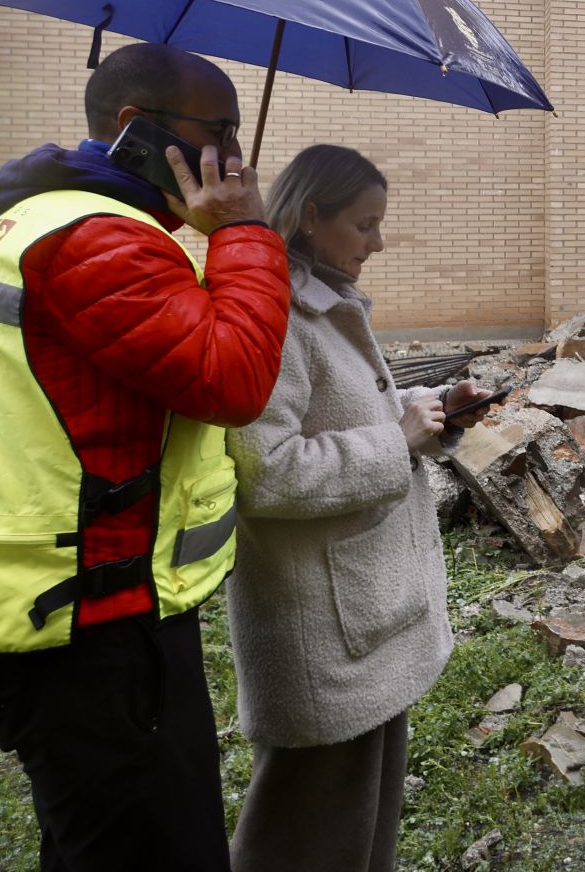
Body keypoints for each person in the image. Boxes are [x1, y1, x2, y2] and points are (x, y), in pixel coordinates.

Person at [0, 43, 291, 872]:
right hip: (83, 630)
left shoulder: (74, 221)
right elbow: (231, 378)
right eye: (216, 132)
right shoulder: (93, 238)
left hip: (72, 608)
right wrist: (247, 231)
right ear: (135, 127)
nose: (231, 156)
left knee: (98, 844)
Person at [225, 144, 478, 872]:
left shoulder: (321, 298)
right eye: (365, 224)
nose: (379, 242)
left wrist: (423, 412)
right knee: (304, 834)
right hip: (317, 621)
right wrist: (394, 441)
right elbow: (264, 472)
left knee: (362, 820)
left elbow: (338, 416)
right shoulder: (272, 313)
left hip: (361, 610)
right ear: (310, 217)